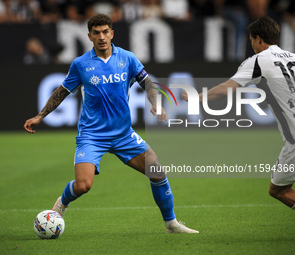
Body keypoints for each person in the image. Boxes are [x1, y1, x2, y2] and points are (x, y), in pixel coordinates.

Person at [24, 13, 199, 234]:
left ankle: (171, 224)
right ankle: (62, 201)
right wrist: (41, 116)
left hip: (123, 134)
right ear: (89, 36)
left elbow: (148, 83)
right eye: (96, 33)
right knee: (83, 186)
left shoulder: (127, 58)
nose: (101, 37)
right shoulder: (81, 64)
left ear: (112, 33)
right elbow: (62, 91)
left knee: (157, 172)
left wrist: (156, 104)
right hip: (92, 135)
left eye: (105, 31)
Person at [182, 16, 295, 210]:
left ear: (258, 39)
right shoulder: (293, 57)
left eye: (251, 40)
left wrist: (198, 97)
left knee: (279, 190)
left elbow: (228, 87)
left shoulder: (259, 61)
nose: (251, 44)